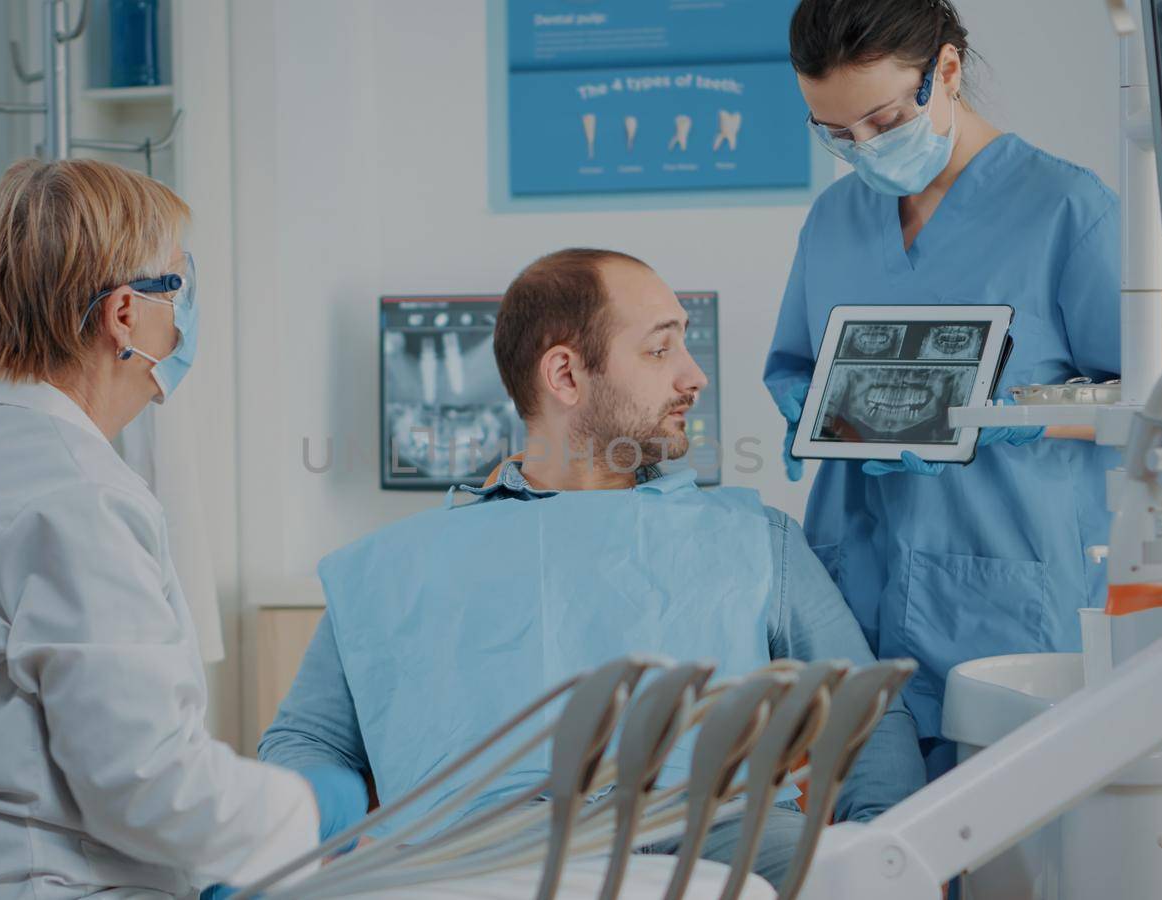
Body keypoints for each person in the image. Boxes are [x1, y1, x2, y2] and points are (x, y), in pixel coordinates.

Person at [258, 248, 927, 886]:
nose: (694, 375)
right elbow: (308, 742)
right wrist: (339, 831)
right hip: (474, 854)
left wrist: (877, 849)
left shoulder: (750, 536)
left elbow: (867, 703)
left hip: (722, 839)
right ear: (566, 376)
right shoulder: (389, 567)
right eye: (661, 349)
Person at [0, 159, 317, 899]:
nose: (188, 310)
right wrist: (302, 814)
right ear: (124, 315)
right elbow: (145, 783)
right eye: (179, 282)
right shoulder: (76, 494)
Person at [766, 0, 1162, 779]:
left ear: (947, 72)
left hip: (1005, 594)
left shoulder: (1067, 209)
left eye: (882, 120)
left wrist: (1014, 422)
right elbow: (796, 360)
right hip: (858, 588)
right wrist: (805, 406)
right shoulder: (834, 218)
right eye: (834, 132)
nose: (862, 148)